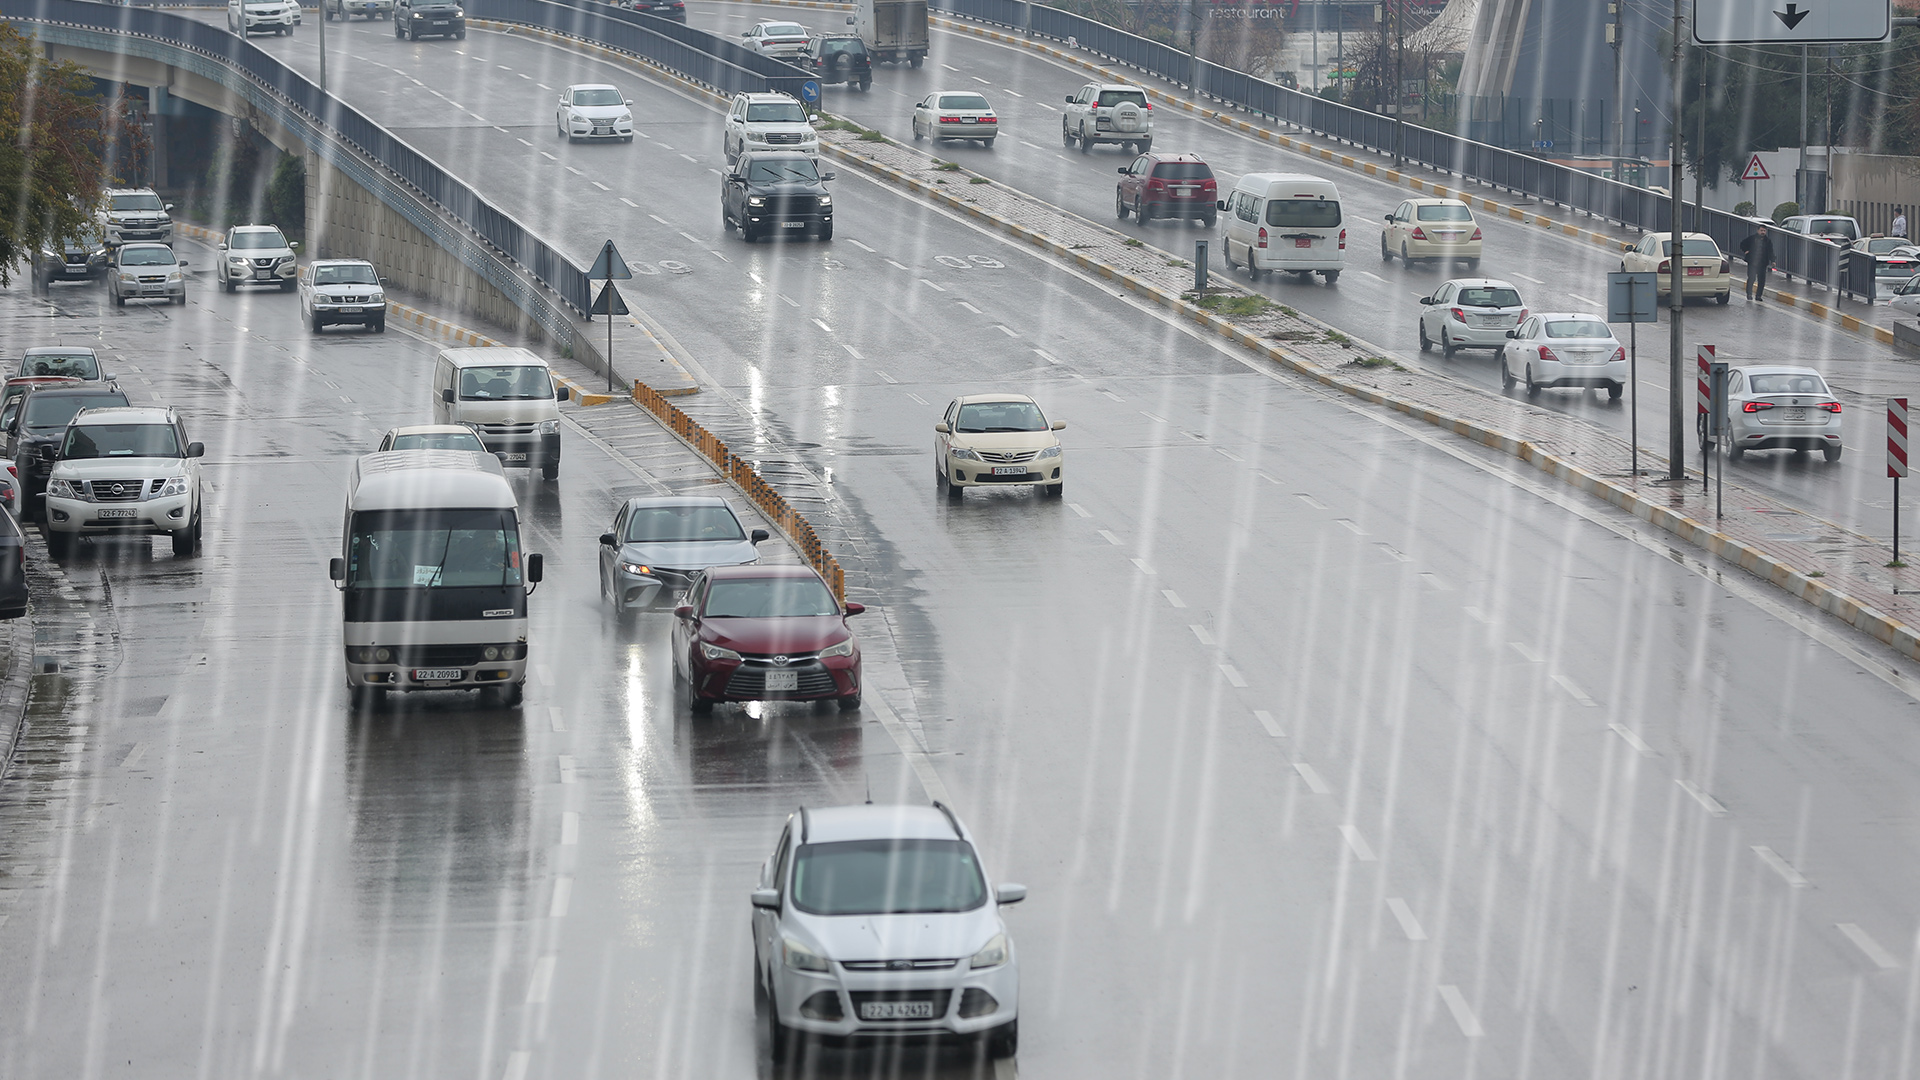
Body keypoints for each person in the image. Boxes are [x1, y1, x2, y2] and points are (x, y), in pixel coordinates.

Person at [1738, 225, 1775, 302]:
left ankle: (1758, 296)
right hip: (1752, 262)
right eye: (1761, 230)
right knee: (1751, 278)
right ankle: (1749, 294)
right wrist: (1746, 251)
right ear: (1758, 230)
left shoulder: (1768, 241)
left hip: (1762, 263)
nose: (1763, 232)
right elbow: (1742, 244)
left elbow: (1771, 251)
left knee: (1761, 280)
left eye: (1764, 231)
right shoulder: (1752, 238)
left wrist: (1773, 260)